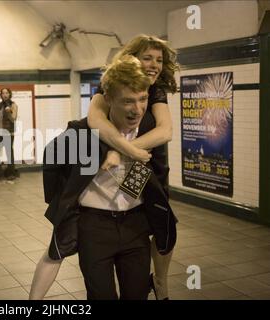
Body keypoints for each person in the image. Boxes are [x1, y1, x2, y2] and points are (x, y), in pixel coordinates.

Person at [29, 34, 178, 300]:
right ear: (109, 98)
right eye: (127, 101)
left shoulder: (150, 131)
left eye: (142, 99)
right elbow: (52, 158)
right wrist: (62, 201)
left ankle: (160, 284)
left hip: (136, 225)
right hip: (94, 227)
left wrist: (121, 154)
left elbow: (160, 165)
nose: (137, 109)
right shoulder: (82, 133)